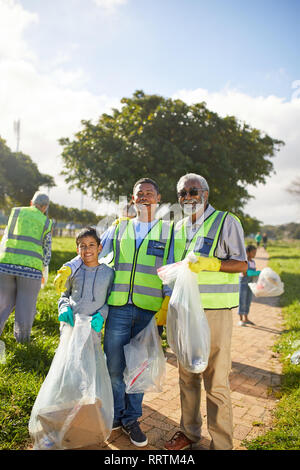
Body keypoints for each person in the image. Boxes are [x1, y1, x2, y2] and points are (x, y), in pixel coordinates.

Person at [54, 178, 173, 447]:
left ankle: (132, 418)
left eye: (149, 193)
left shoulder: (169, 232)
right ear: (132, 199)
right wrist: (69, 267)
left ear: (159, 198)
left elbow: (172, 269)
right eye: (139, 193)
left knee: (139, 369)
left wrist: (166, 304)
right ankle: (116, 415)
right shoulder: (120, 228)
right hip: (118, 308)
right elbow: (92, 251)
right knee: (115, 367)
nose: (144, 197)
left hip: (149, 311)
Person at [162, 173, 247, 451]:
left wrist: (214, 265)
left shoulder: (226, 221)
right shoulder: (178, 228)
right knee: (186, 375)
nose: (187, 197)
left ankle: (221, 444)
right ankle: (189, 432)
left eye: (193, 191)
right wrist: (166, 302)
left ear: (206, 194)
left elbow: (241, 264)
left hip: (214, 312)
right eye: (182, 193)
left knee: (215, 379)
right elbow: (174, 268)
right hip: (184, 311)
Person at [0, 192, 52, 343]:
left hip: (6, 264)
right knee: (26, 306)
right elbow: (47, 251)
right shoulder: (46, 222)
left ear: (31, 202)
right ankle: (22, 341)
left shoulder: (15, 212)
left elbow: (6, 237)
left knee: (2, 302)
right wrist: (44, 268)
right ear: (45, 207)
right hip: (31, 270)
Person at [57, 226, 114, 338]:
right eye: (82, 246)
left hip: (92, 329)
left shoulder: (109, 273)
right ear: (78, 250)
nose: (87, 250)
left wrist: (102, 315)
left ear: (100, 248)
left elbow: (110, 301)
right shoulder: (73, 271)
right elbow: (64, 295)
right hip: (70, 326)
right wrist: (63, 307)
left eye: (91, 245)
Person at [237, 244, 261, 326]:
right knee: (242, 300)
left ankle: (246, 318)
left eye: (255, 252)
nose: (255, 254)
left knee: (248, 300)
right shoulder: (244, 261)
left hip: (250, 283)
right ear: (247, 252)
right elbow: (245, 273)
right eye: (253, 252)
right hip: (243, 282)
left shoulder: (253, 262)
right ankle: (241, 319)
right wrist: (255, 273)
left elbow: (253, 272)